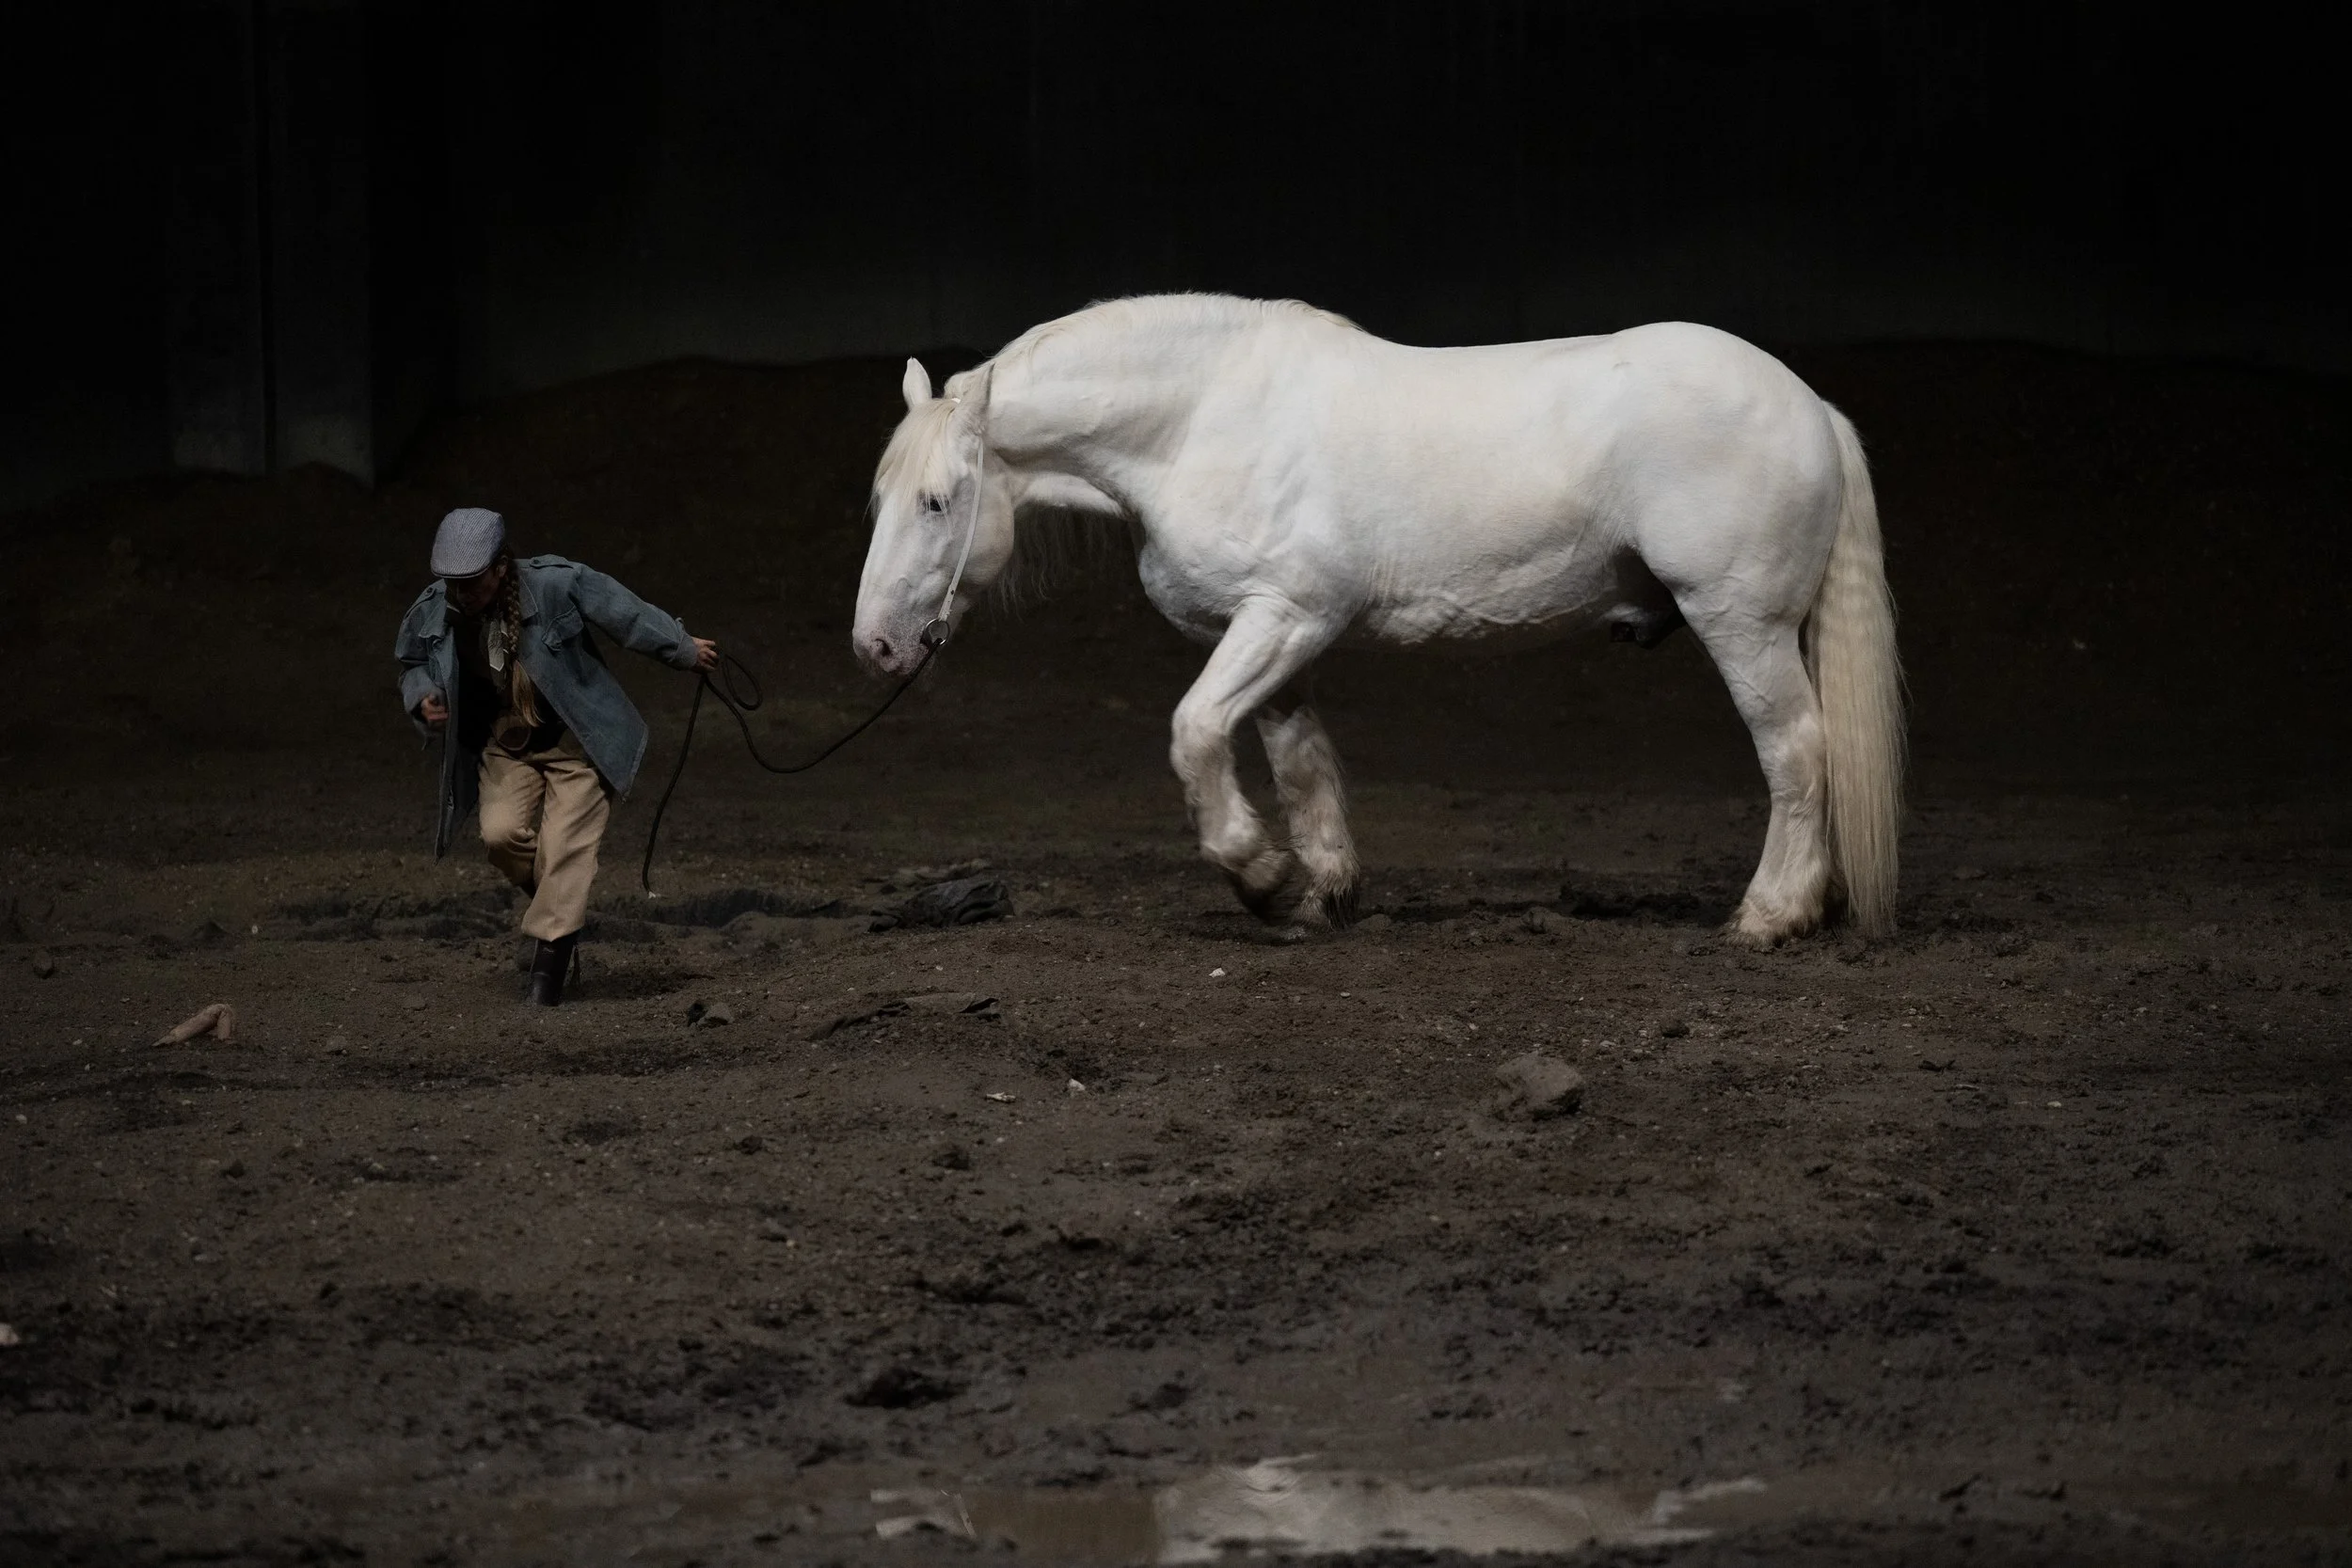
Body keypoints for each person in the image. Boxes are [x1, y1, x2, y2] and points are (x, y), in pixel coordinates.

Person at [394, 508, 718, 1005]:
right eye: (453, 583)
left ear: (500, 568)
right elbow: (412, 659)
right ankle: (561, 911)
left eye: (472, 582)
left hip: (577, 744)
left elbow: (625, 613)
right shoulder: (438, 608)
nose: (461, 594)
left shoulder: (555, 585)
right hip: (506, 747)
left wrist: (681, 648)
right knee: (499, 835)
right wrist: (422, 697)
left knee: (566, 847)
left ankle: (546, 976)